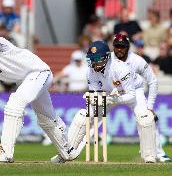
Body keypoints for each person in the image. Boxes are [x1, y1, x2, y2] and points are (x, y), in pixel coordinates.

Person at [0, 26, 76, 163]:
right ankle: (67, 151)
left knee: (15, 104)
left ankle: (5, 153)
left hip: (39, 72)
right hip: (26, 81)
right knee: (46, 117)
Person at [52, 40, 157, 163]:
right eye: (92, 59)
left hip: (133, 91)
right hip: (107, 93)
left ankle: (149, 156)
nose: (94, 63)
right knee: (84, 116)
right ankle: (66, 153)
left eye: (97, 59)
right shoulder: (90, 71)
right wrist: (93, 98)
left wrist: (113, 99)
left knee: (144, 117)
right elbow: (95, 92)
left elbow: (131, 95)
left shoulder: (120, 68)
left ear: (106, 57)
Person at [111, 34, 170, 162]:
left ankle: (159, 153)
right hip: (113, 91)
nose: (119, 49)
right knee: (91, 117)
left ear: (128, 47)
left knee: (146, 119)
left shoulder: (137, 60)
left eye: (122, 47)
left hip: (135, 91)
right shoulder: (108, 59)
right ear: (113, 47)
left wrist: (150, 107)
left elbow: (153, 81)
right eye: (117, 46)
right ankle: (69, 151)